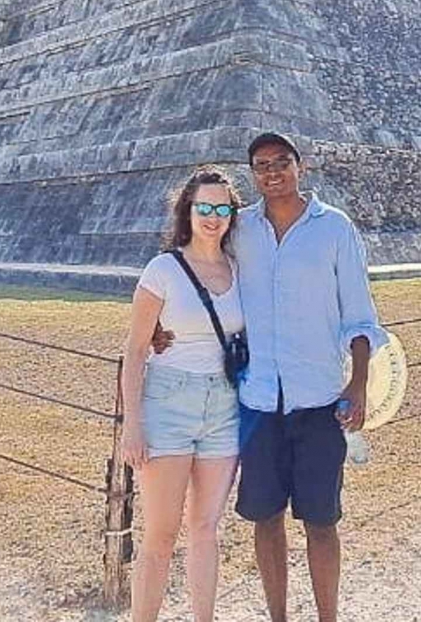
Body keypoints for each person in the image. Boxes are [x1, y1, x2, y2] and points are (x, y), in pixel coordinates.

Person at [233, 132, 386, 622]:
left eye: (282, 162)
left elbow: (360, 317)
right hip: (259, 401)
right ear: (252, 174)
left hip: (319, 400)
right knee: (264, 517)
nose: (272, 172)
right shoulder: (240, 231)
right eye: (262, 165)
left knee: (321, 521)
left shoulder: (334, 229)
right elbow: (205, 284)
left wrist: (357, 382)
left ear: (301, 167)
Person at [120, 167, 247, 622]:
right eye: (204, 208)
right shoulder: (163, 270)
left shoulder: (238, 269)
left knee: (207, 529)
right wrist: (132, 424)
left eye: (222, 209)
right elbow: (135, 349)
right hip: (168, 403)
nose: (212, 218)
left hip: (223, 408)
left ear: (232, 215)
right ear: (187, 211)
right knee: (160, 535)